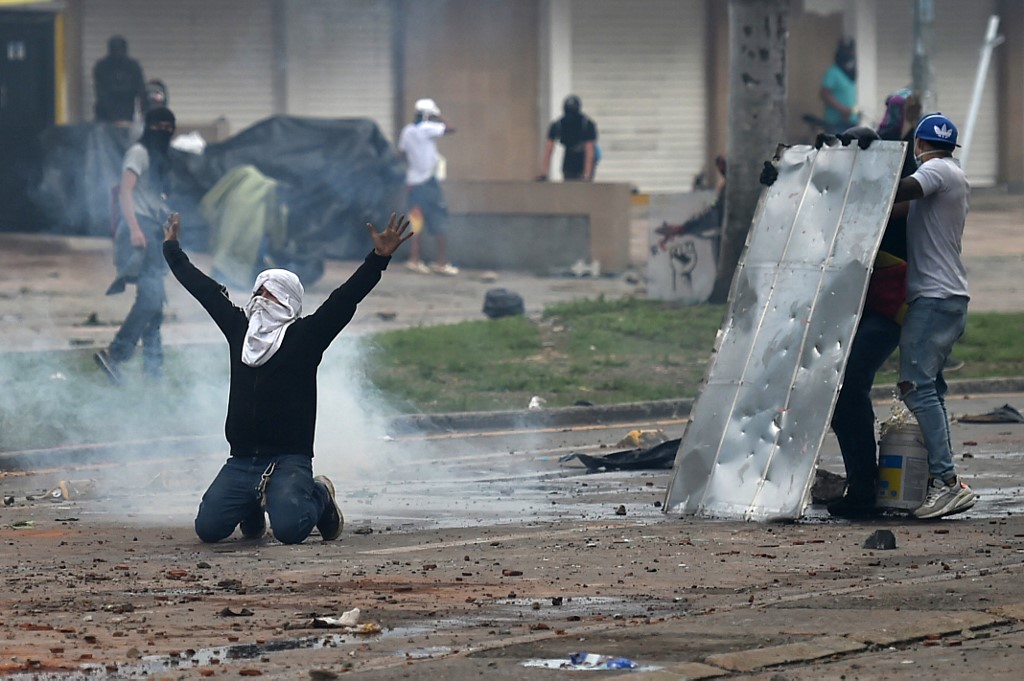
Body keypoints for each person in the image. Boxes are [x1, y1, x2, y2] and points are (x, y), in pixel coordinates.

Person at [161, 211, 413, 544]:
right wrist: (172, 249)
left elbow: (345, 299)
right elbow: (204, 291)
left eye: (272, 295)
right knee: (208, 529)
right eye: (259, 294)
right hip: (242, 460)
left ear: (290, 302)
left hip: (289, 459)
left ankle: (320, 494)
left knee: (291, 530)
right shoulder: (240, 330)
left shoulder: (306, 336)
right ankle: (250, 506)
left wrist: (378, 259)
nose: (262, 302)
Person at [827, 90, 921, 518]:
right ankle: (861, 482)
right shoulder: (852, 194)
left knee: (850, 389)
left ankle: (866, 489)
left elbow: (902, 183)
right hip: (852, 308)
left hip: (888, 310)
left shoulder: (897, 188)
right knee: (839, 395)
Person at [890, 112, 976, 520]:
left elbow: (902, 188)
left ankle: (946, 482)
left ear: (919, 147)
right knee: (930, 390)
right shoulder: (951, 177)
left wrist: (872, 166)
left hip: (935, 299)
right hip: (946, 298)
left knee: (914, 386)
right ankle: (937, 478)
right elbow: (899, 210)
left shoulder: (937, 171)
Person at [94, 106, 177, 385]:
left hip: (153, 230)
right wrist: (134, 230)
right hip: (140, 231)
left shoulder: (159, 158)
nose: (164, 131)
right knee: (151, 299)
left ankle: (153, 371)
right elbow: (125, 192)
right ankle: (114, 355)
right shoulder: (139, 153)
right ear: (149, 127)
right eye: (159, 126)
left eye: (169, 126)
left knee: (154, 305)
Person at [398, 98, 458, 276]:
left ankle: (414, 259)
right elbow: (451, 129)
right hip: (428, 183)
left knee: (416, 220)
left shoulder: (407, 131)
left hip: (413, 182)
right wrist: (439, 116)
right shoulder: (427, 128)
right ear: (427, 115)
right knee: (439, 219)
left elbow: (401, 153)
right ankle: (441, 262)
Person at [537, 95, 598, 182]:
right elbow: (548, 149)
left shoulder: (586, 125)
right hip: (569, 159)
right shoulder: (559, 125)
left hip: (582, 157)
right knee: (570, 182)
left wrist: (587, 175)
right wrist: (543, 174)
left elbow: (589, 151)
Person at [93, 35, 146, 124]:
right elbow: (100, 91)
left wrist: (143, 110)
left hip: (127, 109)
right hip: (105, 112)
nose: (118, 53)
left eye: (120, 49)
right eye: (115, 49)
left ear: (125, 50)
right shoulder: (102, 67)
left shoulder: (133, 66)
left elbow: (140, 89)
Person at [819, 38, 859, 135]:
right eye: (846, 51)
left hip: (851, 122)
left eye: (851, 51)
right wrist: (841, 109)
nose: (849, 54)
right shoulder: (832, 72)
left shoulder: (850, 73)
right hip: (836, 123)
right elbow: (824, 94)